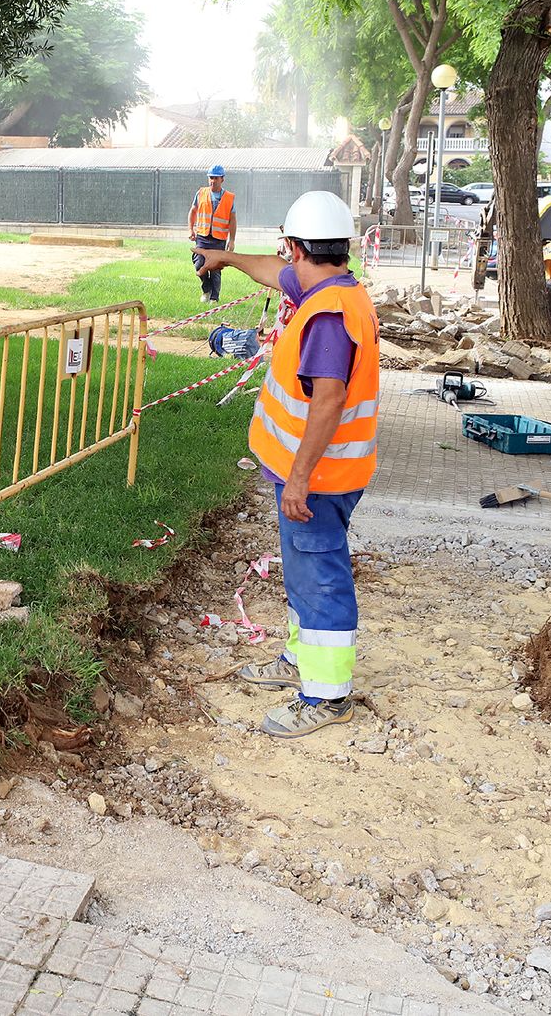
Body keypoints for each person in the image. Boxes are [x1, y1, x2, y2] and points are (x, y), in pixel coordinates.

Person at [194, 191, 380, 739]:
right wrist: (226, 258)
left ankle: (328, 697)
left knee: (320, 574)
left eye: (288, 249)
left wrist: (298, 479)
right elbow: (275, 274)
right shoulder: (333, 287)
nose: (284, 261)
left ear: (298, 244)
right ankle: (300, 660)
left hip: (318, 479)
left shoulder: (327, 318)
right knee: (302, 569)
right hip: (313, 474)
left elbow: (328, 401)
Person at [188, 165, 236, 302]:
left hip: (218, 239)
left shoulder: (229, 198)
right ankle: (206, 290)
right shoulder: (201, 193)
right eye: (211, 178)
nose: (213, 181)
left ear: (222, 179)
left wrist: (232, 240)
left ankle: (214, 298)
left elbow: (233, 220)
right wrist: (191, 229)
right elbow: (193, 211)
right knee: (199, 264)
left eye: (216, 178)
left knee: (215, 269)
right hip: (202, 236)